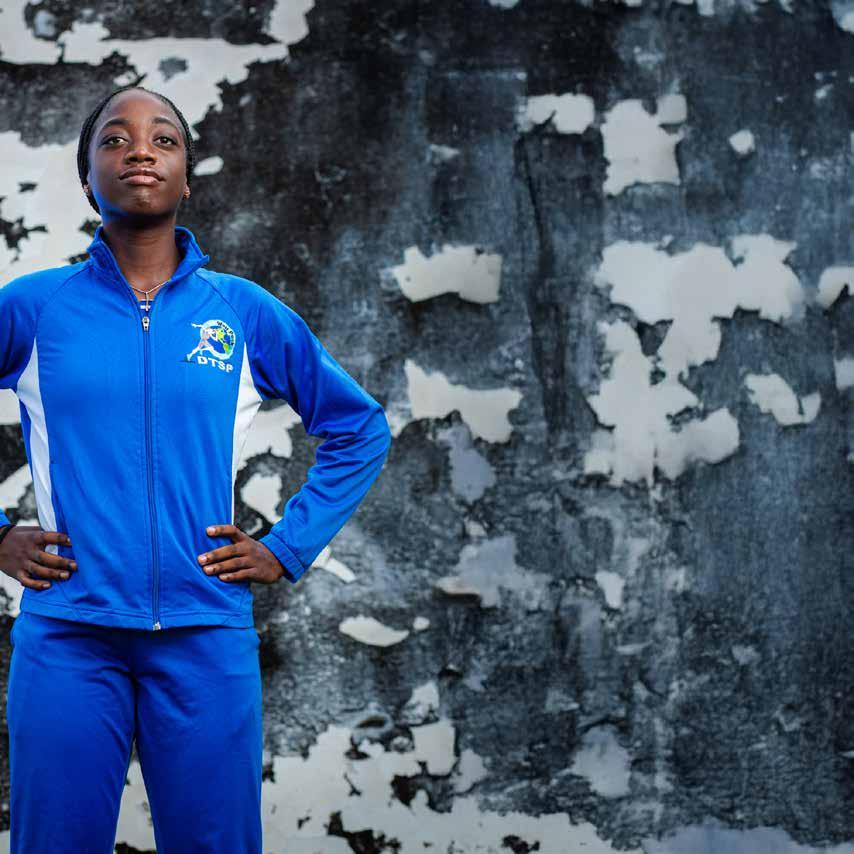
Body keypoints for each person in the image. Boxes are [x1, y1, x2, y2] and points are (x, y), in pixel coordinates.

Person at [0, 84, 392, 852]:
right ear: (86, 177)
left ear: (186, 178)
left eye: (164, 140)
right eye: (114, 140)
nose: (140, 152)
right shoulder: (34, 307)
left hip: (206, 637)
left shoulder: (241, 311)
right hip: (69, 637)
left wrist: (285, 547)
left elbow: (359, 427)